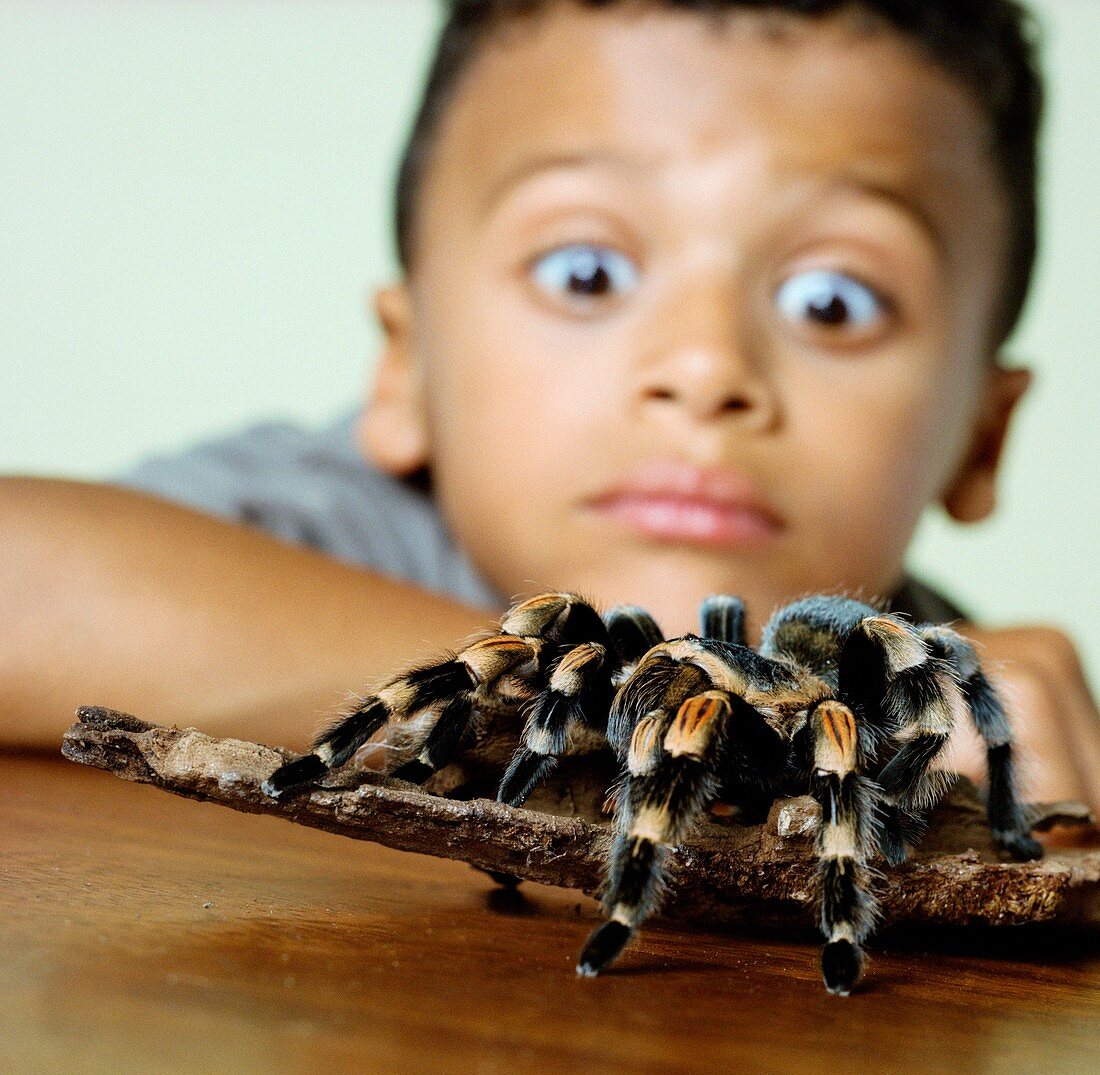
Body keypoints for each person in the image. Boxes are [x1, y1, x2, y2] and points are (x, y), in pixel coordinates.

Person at [2, 0, 1097, 823]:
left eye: (832, 302)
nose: (704, 367)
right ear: (407, 370)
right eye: (585, 272)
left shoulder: (919, 679)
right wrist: (616, 698)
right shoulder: (319, 520)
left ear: (978, 433)